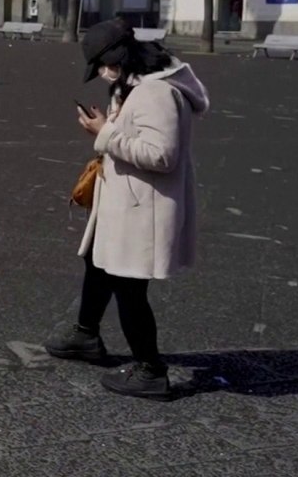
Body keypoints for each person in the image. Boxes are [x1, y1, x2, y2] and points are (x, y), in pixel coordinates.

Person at [43, 20, 210, 400]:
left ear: (118, 57)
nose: (102, 74)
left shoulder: (156, 93)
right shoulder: (134, 86)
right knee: (98, 262)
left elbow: (162, 155)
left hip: (142, 211)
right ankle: (86, 333)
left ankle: (150, 369)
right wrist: (111, 125)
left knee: (129, 288)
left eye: (102, 65)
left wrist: (105, 132)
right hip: (124, 203)